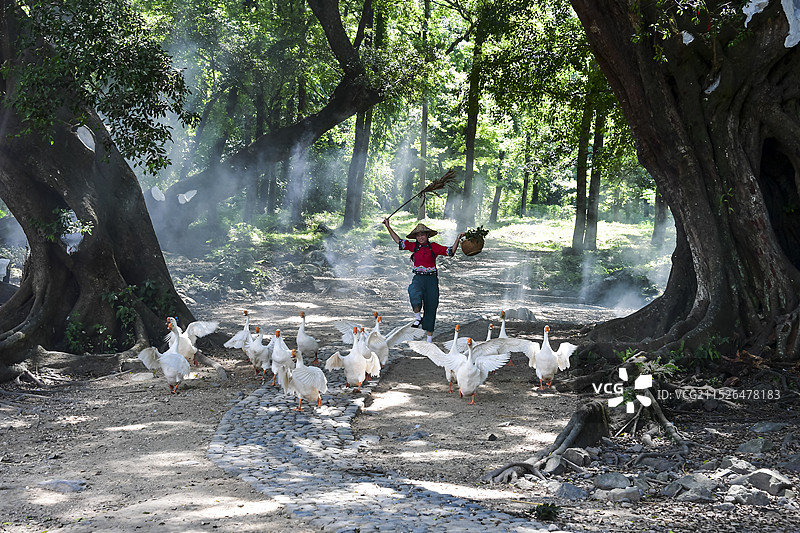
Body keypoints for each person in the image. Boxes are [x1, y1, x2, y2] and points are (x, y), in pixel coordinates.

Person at [383, 219, 465, 343]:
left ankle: (429, 340)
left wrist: (458, 239)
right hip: (418, 278)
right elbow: (398, 241)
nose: (421, 237)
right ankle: (417, 317)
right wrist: (388, 226)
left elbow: (450, 252)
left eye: (423, 234)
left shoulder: (434, 247)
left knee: (431, 306)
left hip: (431, 280)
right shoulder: (413, 246)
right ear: (416, 237)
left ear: (427, 235)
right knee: (413, 291)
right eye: (418, 235)